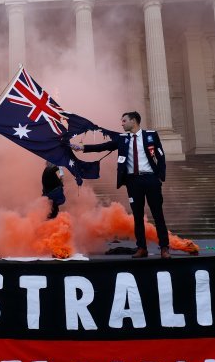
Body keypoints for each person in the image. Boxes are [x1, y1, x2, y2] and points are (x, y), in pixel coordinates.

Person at [72, 111, 170, 259]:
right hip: (133, 181)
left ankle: (164, 248)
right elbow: (104, 146)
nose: (121, 124)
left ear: (134, 121)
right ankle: (141, 248)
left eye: (124, 121)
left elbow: (161, 156)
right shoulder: (122, 139)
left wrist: (160, 177)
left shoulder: (151, 135)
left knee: (158, 215)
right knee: (137, 216)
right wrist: (83, 148)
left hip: (150, 179)